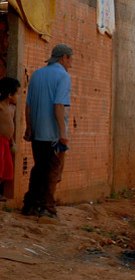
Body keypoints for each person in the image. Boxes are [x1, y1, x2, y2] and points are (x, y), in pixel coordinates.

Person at [22, 44, 73, 218]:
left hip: (37, 131)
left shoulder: (37, 75)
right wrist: (62, 133)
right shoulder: (63, 76)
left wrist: (29, 127)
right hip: (52, 133)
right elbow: (58, 105)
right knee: (52, 169)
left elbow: (28, 106)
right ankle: (47, 207)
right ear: (63, 58)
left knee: (39, 168)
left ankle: (30, 205)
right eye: (70, 59)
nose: (71, 63)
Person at [0, 77, 19, 202]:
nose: (18, 96)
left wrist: (12, 141)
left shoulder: (11, 108)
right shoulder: (0, 107)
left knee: (6, 167)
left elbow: (10, 125)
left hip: (6, 141)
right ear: (9, 94)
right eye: (16, 93)